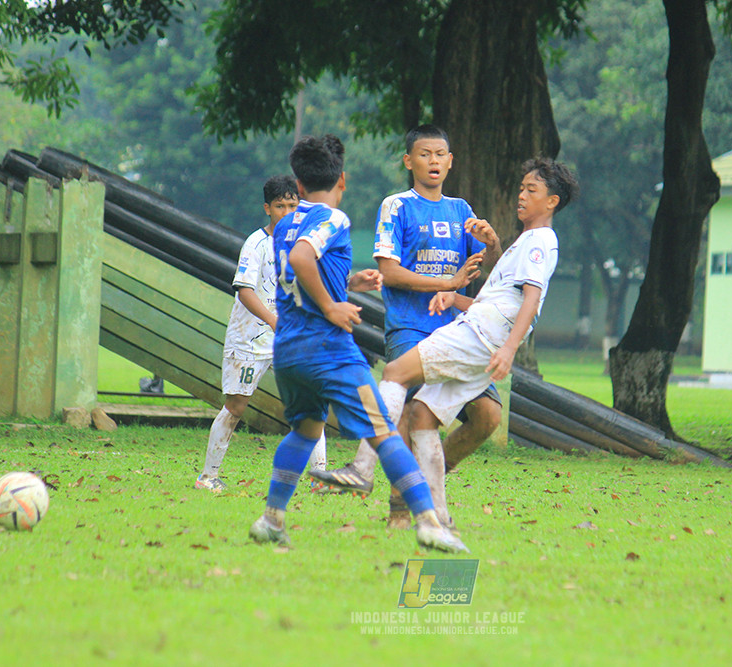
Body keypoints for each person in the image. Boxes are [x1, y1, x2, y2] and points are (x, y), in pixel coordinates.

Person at [312, 157, 578, 531]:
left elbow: (531, 301)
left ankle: (362, 468)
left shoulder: (540, 241)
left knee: (395, 373)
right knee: (422, 416)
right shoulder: (526, 241)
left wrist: (508, 349)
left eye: (531, 190)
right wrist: (455, 298)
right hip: (478, 332)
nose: (521, 195)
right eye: (521, 188)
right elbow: (501, 300)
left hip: (478, 336)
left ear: (552, 201)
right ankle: (438, 518)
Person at [247, 134, 467, 553]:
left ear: (298, 183)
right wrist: (333, 306)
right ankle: (428, 522)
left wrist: (346, 284)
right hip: (328, 351)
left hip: (289, 350)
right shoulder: (333, 219)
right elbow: (302, 260)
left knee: (305, 430)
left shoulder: (285, 224)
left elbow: (295, 275)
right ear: (342, 180)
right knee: (384, 430)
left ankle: (271, 519)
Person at [311, 124, 502, 530]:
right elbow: (390, 272)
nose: (433, 161)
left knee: (487, 415)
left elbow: (490, 271)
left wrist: (493, 244)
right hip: (410, 327)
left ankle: (425, 479)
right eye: (424, 154)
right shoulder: (396, 206)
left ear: (450, 162)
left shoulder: (462, 211)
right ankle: (400, 508)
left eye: (440, 154)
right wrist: (448, 282)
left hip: (459, 330)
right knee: (406, 411)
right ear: (408, 161)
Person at [195, 175, 327, 493]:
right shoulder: (256, 244)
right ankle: (207, 476)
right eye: (280, 206)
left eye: (293, 205)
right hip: (250, 339)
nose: (287, 212)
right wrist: (272, 320)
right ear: (267, 208)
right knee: (236, 406)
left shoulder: (305, 244)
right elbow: (244, 290)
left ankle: (320, 478)